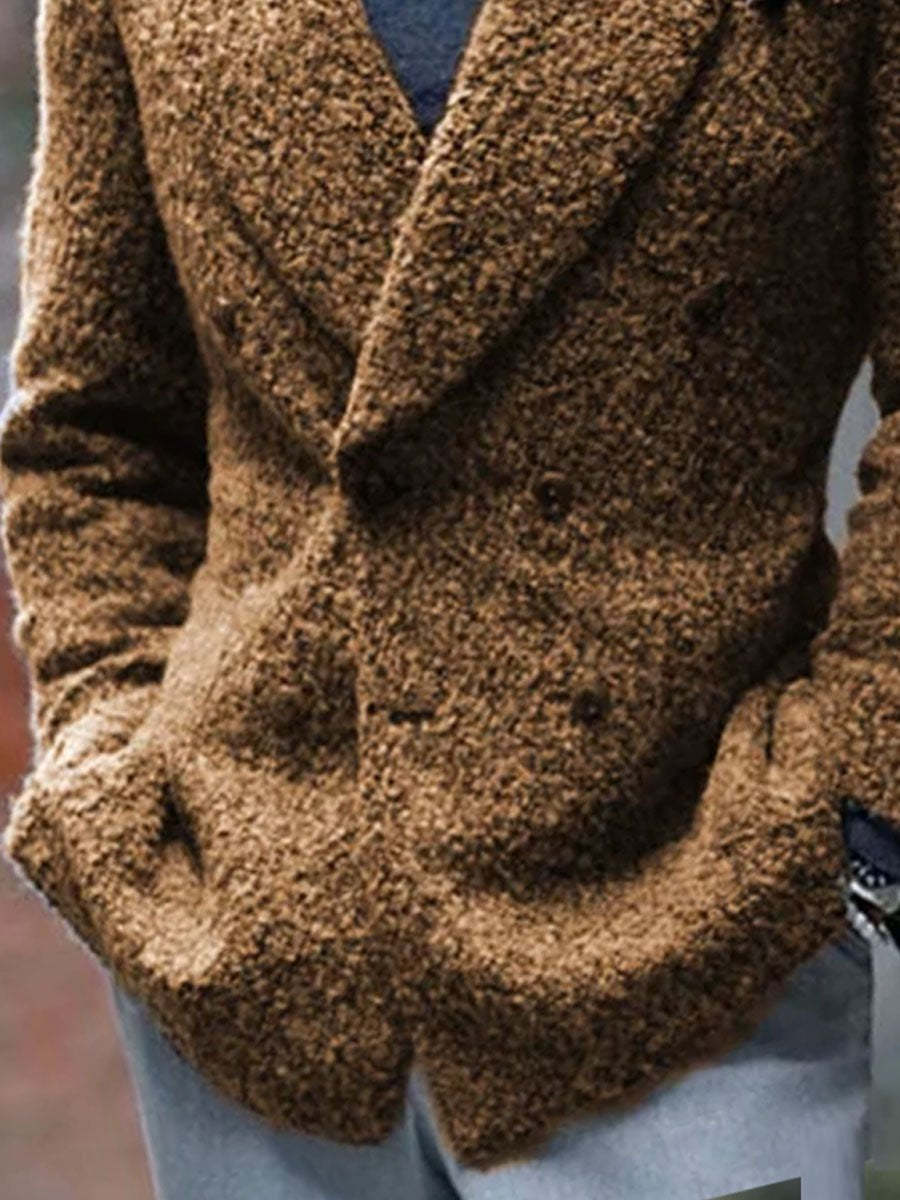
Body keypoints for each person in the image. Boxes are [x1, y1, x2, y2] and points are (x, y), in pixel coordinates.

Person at [2, 0, 899, 1197]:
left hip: (696, 933)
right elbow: (93, 422)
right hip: (249, 949)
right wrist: (109, 765)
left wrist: (848, 791)